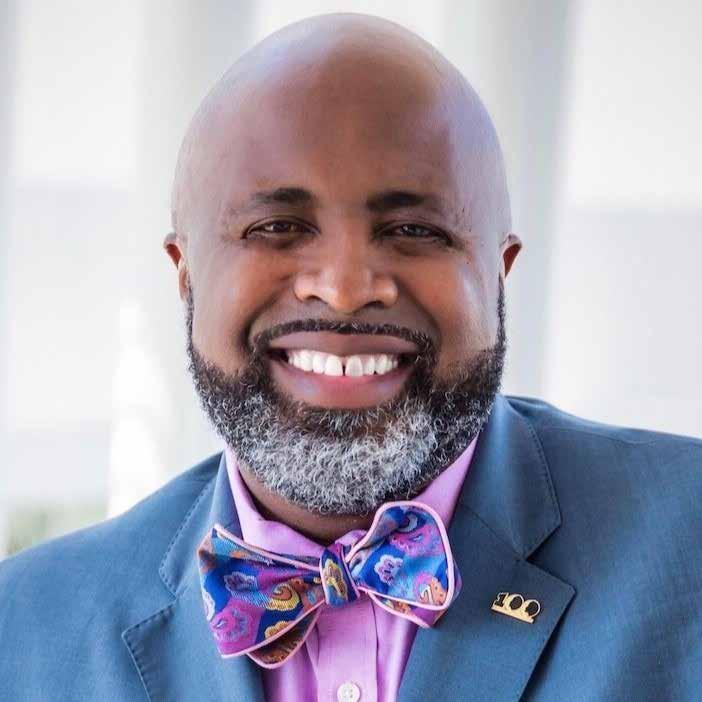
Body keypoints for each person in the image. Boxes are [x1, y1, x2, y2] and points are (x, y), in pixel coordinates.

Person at [1, 12, 700, 702]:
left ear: (498, 272)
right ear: (186, 274)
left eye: (414, 230)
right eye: (277, 226)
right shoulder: (23, 633)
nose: (343, 289)